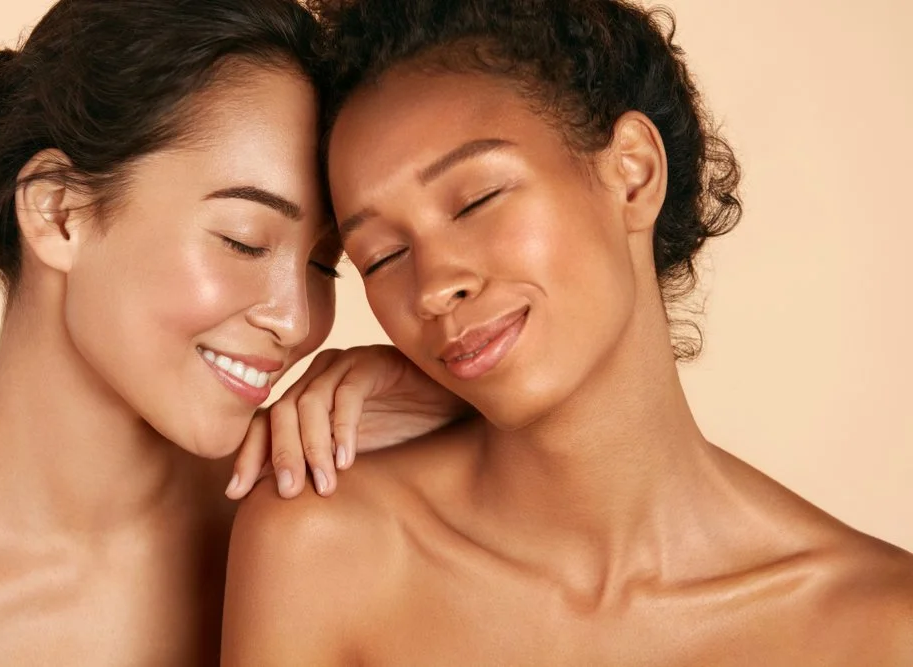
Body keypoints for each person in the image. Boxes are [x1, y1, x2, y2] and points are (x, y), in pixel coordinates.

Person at [222, 0, 913, 664]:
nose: (433, 286)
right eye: (383, 256)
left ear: (633, 173)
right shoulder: (325, 546)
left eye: (477, 199)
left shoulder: (883, 627)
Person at [0, 0, 466, 664]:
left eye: (324, 263)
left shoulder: (335, 522)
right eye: (244, 241)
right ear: (59, 212)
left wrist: (472, 414)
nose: (298, 322)